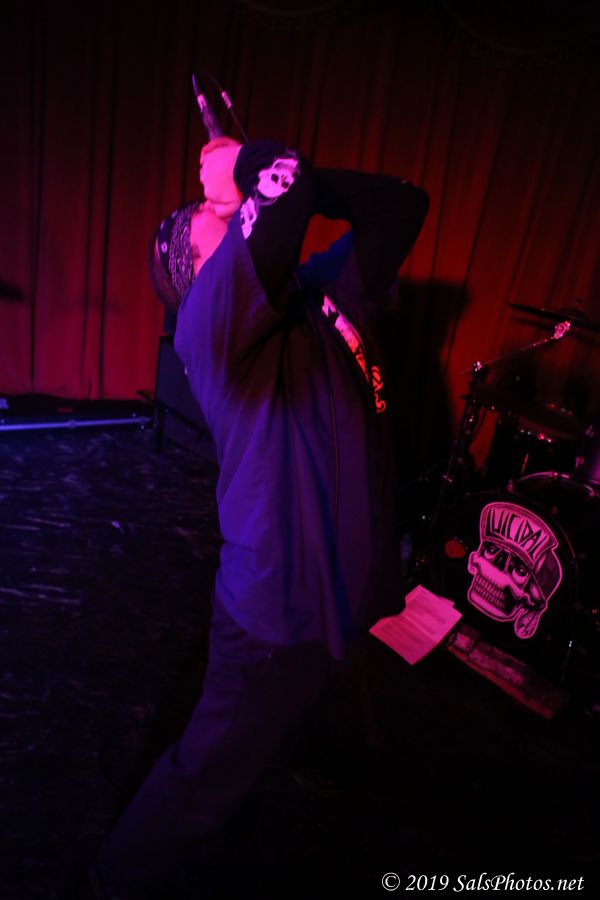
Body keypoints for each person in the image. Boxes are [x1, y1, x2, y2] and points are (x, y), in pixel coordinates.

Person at [90, 135, 429, 898]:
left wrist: (272, 187)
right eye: (219, 222)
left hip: (337, 586)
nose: (238, 215)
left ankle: (294, 739)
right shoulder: (207, 325)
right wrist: (245, 170)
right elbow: (284, 187)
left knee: (299, 701)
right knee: (206, 772)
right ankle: (115, 878)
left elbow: (401, 206)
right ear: (194, 272)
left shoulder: (313, 294)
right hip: (275, 608)